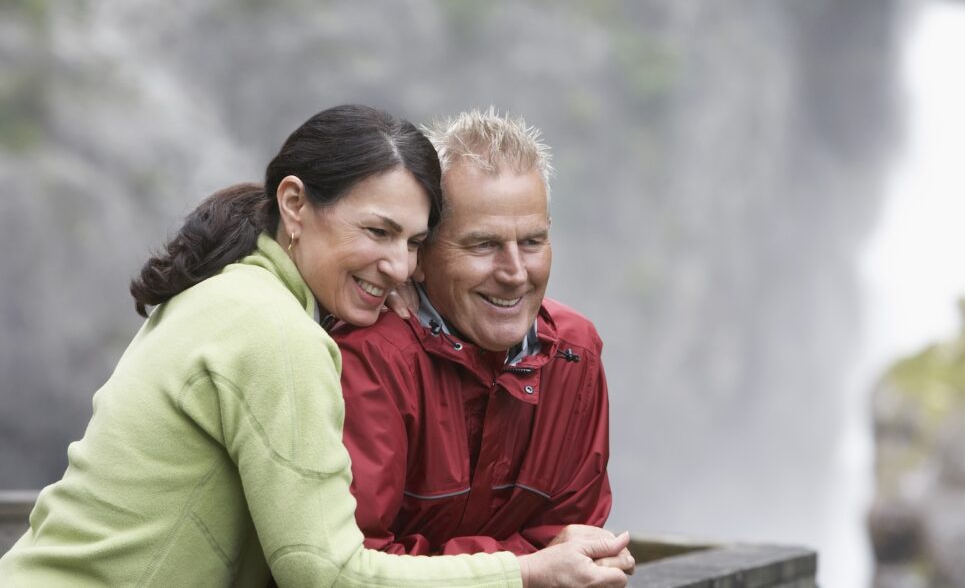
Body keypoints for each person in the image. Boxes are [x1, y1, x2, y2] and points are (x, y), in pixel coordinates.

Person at [0, 104, 631, 587]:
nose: (395, 266)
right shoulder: (278, 333)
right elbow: (325, 574)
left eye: (411, 243)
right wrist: (525, 571)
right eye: (377, 231)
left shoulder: (231, 295)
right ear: (295, 205)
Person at [332, 109, 623, 562]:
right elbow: (358, 563)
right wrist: (530, 565)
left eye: (532, 242)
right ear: (421, 257)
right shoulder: (371, 359)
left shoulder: (574, 353)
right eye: (483, 244)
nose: (514, 273)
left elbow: (579, 542)